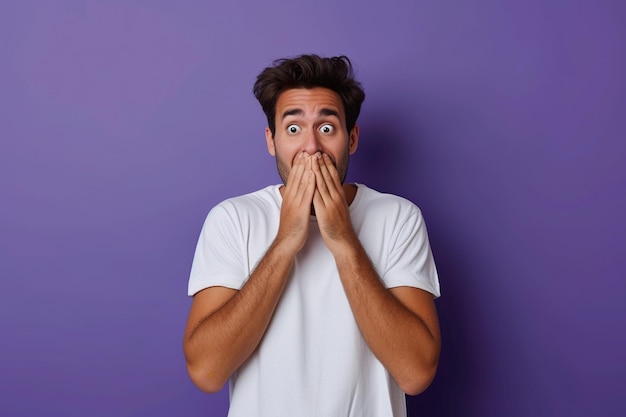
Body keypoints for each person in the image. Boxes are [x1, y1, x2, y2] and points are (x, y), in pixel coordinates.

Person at [183, 54, 441, 417]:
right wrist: (285, 241)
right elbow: (206, 371)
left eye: (326, 128)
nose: (310, 148)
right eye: (293, 129)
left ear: (351, 138)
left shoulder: (398, 218)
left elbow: (415, 374)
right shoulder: (233, 219)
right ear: (271, 141)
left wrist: (344, 241)